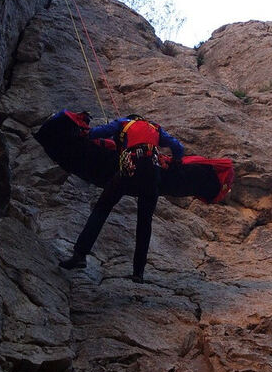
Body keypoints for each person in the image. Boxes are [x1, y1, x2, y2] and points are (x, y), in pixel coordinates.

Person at [60, 114, 184, 282]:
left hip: (130, 168)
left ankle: (80, 254)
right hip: (153, 174)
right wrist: (174, 162)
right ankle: (138, 272)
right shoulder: (155, 128)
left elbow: (96, 133)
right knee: (145, 222)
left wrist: (81, 133)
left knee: (102, 208)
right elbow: (178, 148)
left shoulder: (123, 123)